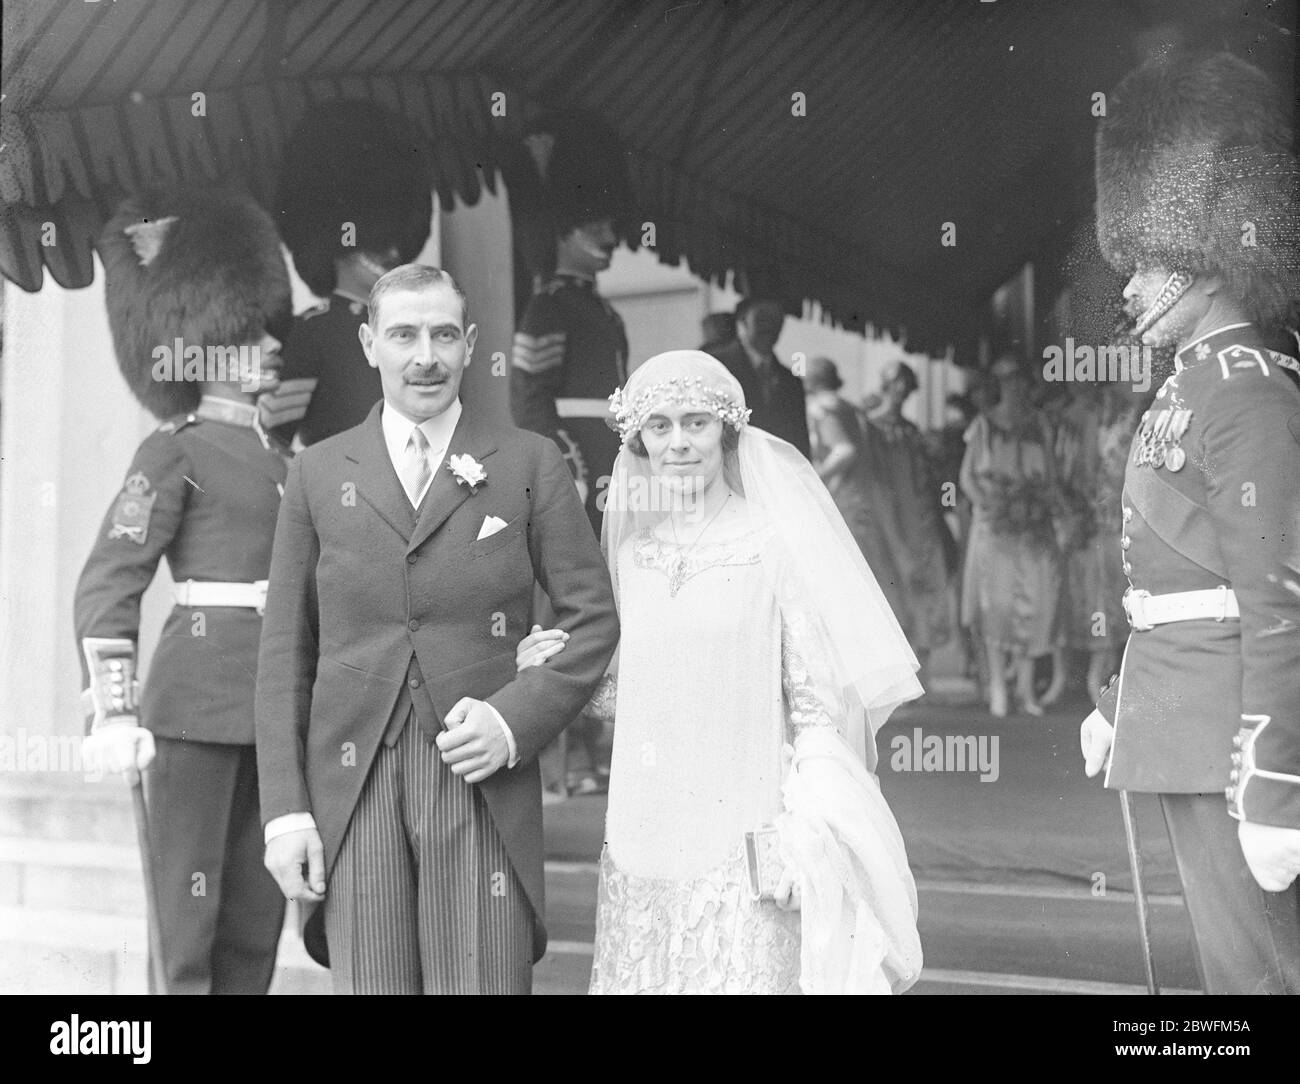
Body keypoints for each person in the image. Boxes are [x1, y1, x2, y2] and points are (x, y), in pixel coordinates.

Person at [255, 264, 619, 994]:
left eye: (444, 334)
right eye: (404, 335)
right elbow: (285, 652)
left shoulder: (528, 463)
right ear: (369, 344)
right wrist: (285, 812)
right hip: (353, 781)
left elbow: (592, 619)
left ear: (469, 343)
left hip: (479, 775)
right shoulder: (319, 474)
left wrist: (512, 721)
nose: (426, 355)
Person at [521, 350, 923, 994]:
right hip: (642, 836)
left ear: (727, 432)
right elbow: (630, 697)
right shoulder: (631, 557)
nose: (678, 443)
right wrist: (553, 667)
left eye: (696, 423)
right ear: (639, 443)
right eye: (659, 426)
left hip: (744, 839)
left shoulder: (773, 542)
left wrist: (806, 837)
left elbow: (817, 705)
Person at [1080, 50, 1300, 993]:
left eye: (1149, 263)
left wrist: (1278, 778)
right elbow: (1170, 571)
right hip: (1181, 711)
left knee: (1258, 978)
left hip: (1232, 733)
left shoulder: (1250, 392)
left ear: (1212, 265)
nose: (1127, 288)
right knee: (1225, 972)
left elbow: (1279, 598)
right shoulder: (1193, 383)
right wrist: (1129, 701)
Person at [75, 188, 293, 993]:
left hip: (272, 710)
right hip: (194, 706)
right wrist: (115, 705)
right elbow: (109, 582)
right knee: (185, 930)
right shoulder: (172, 455)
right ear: (205, 345)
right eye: (249, 333)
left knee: (252, 927)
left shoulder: (288, 465)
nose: (271, 345)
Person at [510, 203, 628, 797]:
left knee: (614, 604)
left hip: (614, 472)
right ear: (561, 231)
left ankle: (602, 747)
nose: (609, 237)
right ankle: (570, 757)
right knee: (569, 611)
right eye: (593, 224)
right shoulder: (548, 305)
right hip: (576, 473)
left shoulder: (605, 310)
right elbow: (531, 399)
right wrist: (567, 470)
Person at [265, 103, 434, 446]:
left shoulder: (416, 327)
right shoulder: (314, 332)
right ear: (336, 249)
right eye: (376, 245)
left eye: (394, 242)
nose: (393, 253)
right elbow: (272, 434)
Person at [959, 353, 1063, 717]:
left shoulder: (1040, 425)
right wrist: (988, 506)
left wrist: (1041, 505)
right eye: (1008, 381)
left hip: (1032, 526)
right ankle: (998, 687)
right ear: (998, 386)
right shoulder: (984, 425)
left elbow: (1049, 476)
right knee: (998, 605)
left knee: (1034, 602)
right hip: (995, 528)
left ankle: (1025, 687)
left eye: (1021, 380)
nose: (1016, 388)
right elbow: (967, 478)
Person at [864, 360, 956, 684]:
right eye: (895, 384)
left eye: (906, 384)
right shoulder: (872, 430)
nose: (901, 391)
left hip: (920, 520)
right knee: (892, 595)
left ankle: (922, 673)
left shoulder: (911, 431)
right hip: (888, 522)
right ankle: (893, 679)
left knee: (925, 592)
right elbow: (875, 485)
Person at [802, 355, 908, 626]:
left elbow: (845, 450)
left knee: (844, 576)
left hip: (841, 499)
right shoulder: (849, 407)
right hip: (863, 497)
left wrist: (815, 477)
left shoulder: (821, 408)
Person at [713, 298, 811, 458]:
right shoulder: (717, 366)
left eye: (777, 320)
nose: (770, 327)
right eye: (762, 318)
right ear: (744, 320)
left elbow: (800, 445)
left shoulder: (791, 382)